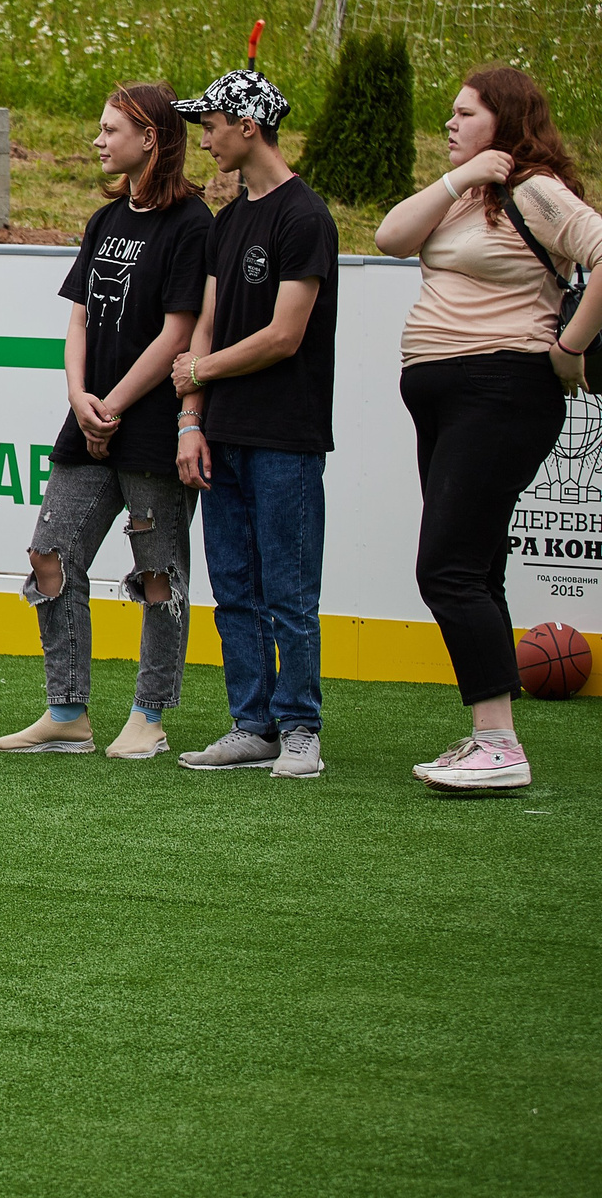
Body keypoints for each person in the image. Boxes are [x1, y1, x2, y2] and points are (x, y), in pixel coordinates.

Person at [374, 65, 602, 792]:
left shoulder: (533, 191)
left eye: (464, 113)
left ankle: (500, 745)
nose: (448, 123)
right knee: (475, 566)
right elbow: (388, 236)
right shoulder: (466, 191)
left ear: (503, 122)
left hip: (502, 390)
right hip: (447, 394)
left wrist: (569, 349)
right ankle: (490, 734)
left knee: (444, 567)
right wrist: (465, 173)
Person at [0, 84, 211, 761]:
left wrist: (112, 403)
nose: (98, 139)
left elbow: (179, 331)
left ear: (150, 137)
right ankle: (68, 711)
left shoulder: (193, 222)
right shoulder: (105, 218)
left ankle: (150, 714)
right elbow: (79, 317)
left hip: (152, 426)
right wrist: (79, 396)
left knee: (158, 574)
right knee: (50, 554)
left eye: (111, 128)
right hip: (88, 420)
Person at [171, 69, 338, 780]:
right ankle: (253, 724)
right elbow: (207, 323)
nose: (202, 139)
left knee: (289, 592)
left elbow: (283, 335)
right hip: (224, 435)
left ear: (247, 125)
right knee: (235, 587)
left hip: (286, 439)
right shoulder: (230, 218)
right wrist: (189, 421)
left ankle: (300, 728)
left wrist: (199, 375)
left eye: (209, 125)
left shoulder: (306, 218)